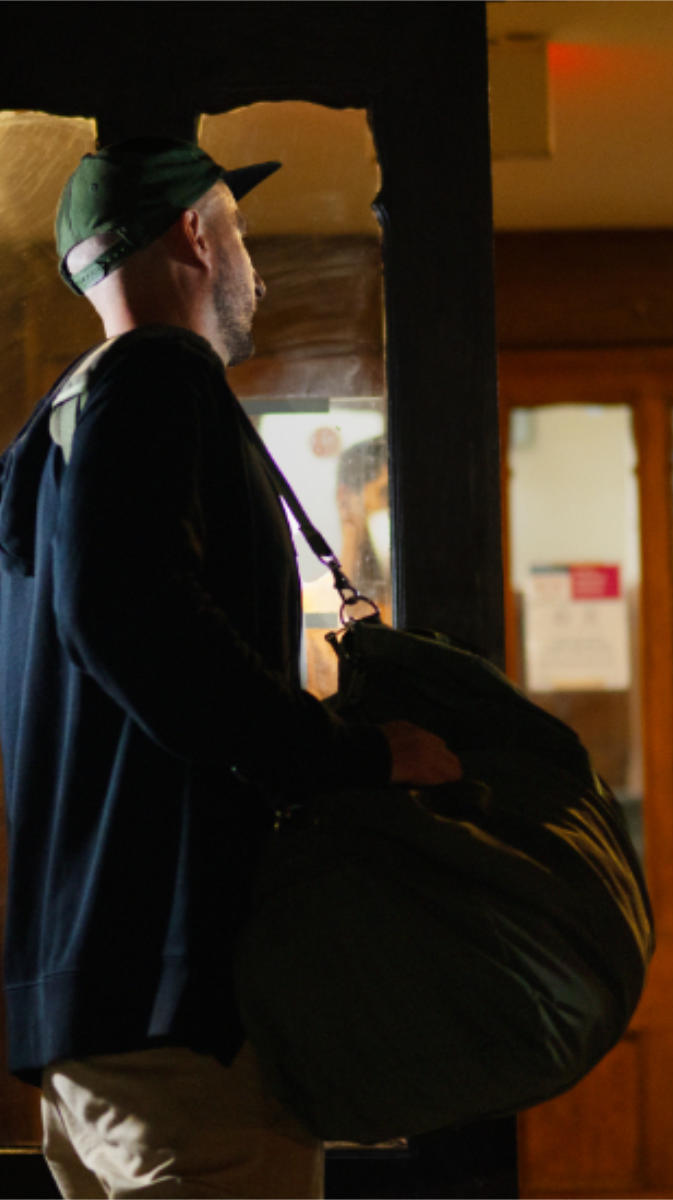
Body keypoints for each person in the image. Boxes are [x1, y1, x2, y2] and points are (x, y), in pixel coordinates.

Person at [0, 137, 460, 1198]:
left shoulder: (46, 437)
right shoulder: (161, 379)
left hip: (82, 1005)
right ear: (194, 238)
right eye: (240, 232)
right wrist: (344, 757)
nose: (252, 263)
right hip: (181, 1004)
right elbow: (134, 617)